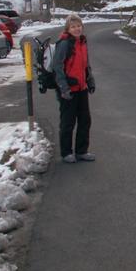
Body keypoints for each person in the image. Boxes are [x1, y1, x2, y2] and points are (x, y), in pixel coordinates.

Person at [52, 14, 96, 163]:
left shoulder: (82, 42)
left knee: (85, 120)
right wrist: (63, 88)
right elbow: (57, 67)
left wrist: (90, 80)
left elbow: (86, 64)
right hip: (68, 89)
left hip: (81, 88)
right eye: (73, 26)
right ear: (68, 28)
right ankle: (66, 153)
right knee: (68, 122)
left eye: (78, 26)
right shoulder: (64, 43)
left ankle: (81, 151)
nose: (77, 29)